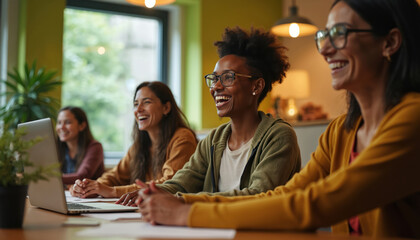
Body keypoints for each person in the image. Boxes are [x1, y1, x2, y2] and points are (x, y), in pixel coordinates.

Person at [136, 0, 420, 238]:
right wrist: (179, 201)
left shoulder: (412, 119)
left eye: (341, 33)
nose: (325, 49)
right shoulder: (340, 131)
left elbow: (315, 204)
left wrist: (187, 212)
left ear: (390, 42)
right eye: (325, 36)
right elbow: (284, 195)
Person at [118, 27, 301, 206]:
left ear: (256, 86)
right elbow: (182, 182)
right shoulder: (215, 139)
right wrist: (154, 192)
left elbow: (258, 195)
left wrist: (183, 200)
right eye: (214, 79)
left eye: (228, 77)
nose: (215, 87)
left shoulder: (278, 136)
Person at [70, 81, 198, 199]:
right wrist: (88, 188)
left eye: (146, 102)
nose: (138, 109)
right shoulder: (140, 145)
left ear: (166, 108)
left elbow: (170, 183)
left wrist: (112, 191)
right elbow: (114, 176)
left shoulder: (182, 138)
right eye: (136, 104)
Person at [56, 106, 105, 185]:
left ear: (81, 126)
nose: (61, 127)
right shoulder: (57, 148)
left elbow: (82, 176)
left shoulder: (95, 147)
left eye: (67, 122)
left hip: (89, 196)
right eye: (59, 122)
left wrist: (50, 178)